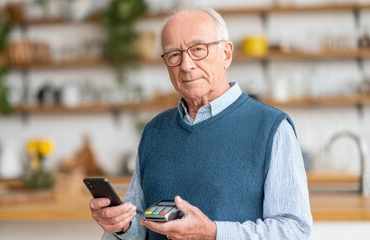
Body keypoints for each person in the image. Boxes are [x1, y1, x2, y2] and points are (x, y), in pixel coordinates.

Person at [89, 7, 312, 240]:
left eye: (198, 49)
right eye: (174, 54)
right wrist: (121, 227)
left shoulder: (272, 128)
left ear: (226, 54)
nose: (186, 65)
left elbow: (295, 231)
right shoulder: (154, 131)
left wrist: (214, 233)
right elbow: (141, 226)